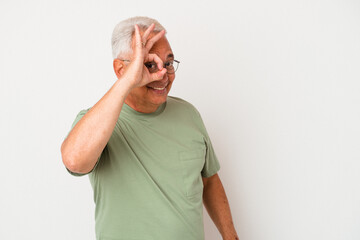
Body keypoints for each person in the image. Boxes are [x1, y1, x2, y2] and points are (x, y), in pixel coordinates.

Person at [61, 16, 239, 240]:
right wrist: (129, 80)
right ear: (120, 69)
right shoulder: (97, 122)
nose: (163, 74)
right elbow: (74, 161)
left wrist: (231, 236)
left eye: (168, 63)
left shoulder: (189, 115)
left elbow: (209, 179)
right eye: (149, 65)